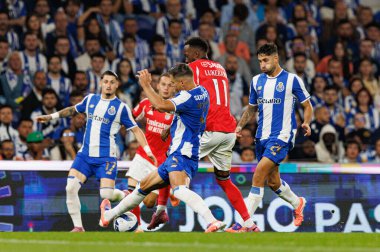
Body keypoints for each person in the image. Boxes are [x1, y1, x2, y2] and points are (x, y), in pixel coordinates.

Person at [99, 64, 226, 233]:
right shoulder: (202, 92)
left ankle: (212, 221)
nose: (171, 86)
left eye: (173, 83)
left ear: (181, 83)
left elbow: (160, 105)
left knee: (179, 190)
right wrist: (171, 126)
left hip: (182, 152)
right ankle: (108, 216)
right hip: (180, 152)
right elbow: (186, 115)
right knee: (142, 187)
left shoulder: (186, 97)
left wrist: (145, 85)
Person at [35, 70, 157, 232]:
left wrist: (148, 150)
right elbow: (72, 110)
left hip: (106, 158)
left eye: (112, 82)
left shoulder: (121, 108)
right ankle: (78, 227)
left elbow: (135, 130)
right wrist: (51, 117)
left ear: (117, 85)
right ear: (100, 83)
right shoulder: (90, 99)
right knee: (70, 187)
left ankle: (124, 195)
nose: (108, 85)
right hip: (85, 156)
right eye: (105, 81)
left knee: (106, 194)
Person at [233, 43, 313, 231]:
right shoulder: (256, 81)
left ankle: (243, 223)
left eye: (265, 60)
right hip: (262, 137)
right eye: (260, 61)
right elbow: (251, 108)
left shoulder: (292, 80)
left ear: (276, 59)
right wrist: (239, 126)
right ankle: (297, 203)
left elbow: (307, 105)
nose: (262, 64)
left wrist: (306, 122)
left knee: (259, 173)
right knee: (273, 182)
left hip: (282, 136)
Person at [183, 37, 258, 232]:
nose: (185, 58)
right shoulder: (220, 67)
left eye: (187, 54)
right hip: (228, 130)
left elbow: (188, 96)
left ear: (197, 54)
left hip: (211, 128)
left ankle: (169, 205)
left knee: (174, 165)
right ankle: (249, 224)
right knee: (224, 179)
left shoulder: (194, 67)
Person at [125, 72, 175, 232]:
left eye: (170, 85)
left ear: (175, 87)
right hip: (143, 155)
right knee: (131, 191)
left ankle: (115, 196)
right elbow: (130, 118)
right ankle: (137, 226)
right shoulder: (146, 103)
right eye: (163, 84)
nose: (166, 88)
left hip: (160, 162)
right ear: (157, 86)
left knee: (148, 202)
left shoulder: (177, 109)